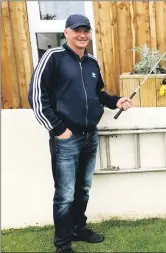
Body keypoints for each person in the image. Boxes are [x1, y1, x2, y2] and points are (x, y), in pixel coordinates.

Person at [28, 14, 132, 253]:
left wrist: (116, 101)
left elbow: (98, 94)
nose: (82, 34)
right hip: (66, 137)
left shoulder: (92, 62)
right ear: (66, 33)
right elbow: (36, 96)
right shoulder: (52, 58)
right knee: (64, 194)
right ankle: (62, 244)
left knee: (82, 189)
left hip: (89, 136)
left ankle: (78, 228)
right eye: (77, 30)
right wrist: (58, 129)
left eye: (86, 30)